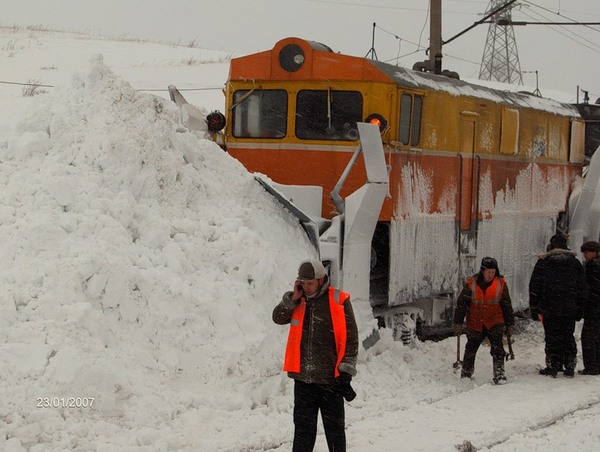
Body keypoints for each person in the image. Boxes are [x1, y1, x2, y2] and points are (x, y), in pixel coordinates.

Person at [272, 259, 359, 452]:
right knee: (302, 434)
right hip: (303, 382)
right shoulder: (297, 301)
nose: (307, 287)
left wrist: (346, 370)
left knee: (335, 433)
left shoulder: (338, 300)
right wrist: (293, 298)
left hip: (331, 381)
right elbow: (278, 318)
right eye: (303, 283)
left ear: (321, 280)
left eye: (310, 283)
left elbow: (352, 340)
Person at [529, 233, 588, 378]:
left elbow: (534, 287)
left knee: (552, 336)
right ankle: (569, 365)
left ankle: (553, 366)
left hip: (549, 308)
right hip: (569, 308)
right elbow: (582, 288)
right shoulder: (575, 263)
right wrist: (580, 308)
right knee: (568, 336)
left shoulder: (544, 263)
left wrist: (534, 307)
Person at [453, 257, 514, 384]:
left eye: (493, 272)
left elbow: (506, 305)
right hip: (476, 322)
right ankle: (466, 374)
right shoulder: (472, 283)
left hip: (494, 321)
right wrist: (458, 322)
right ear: (482, 271)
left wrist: (509, 324)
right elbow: (461, 304)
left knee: (497, 349)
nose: (491, 274)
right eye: (488, 272)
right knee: (471, 349)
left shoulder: (500, 283)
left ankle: (499, 373)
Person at [579, 241, 600, 375]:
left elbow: (589, 289)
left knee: (588, 338)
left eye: (587, 252)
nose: (585, 255)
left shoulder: (592, 267)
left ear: (595, 252)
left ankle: (591, 367)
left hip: (594, 308)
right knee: (596, 338)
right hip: (596, 308)